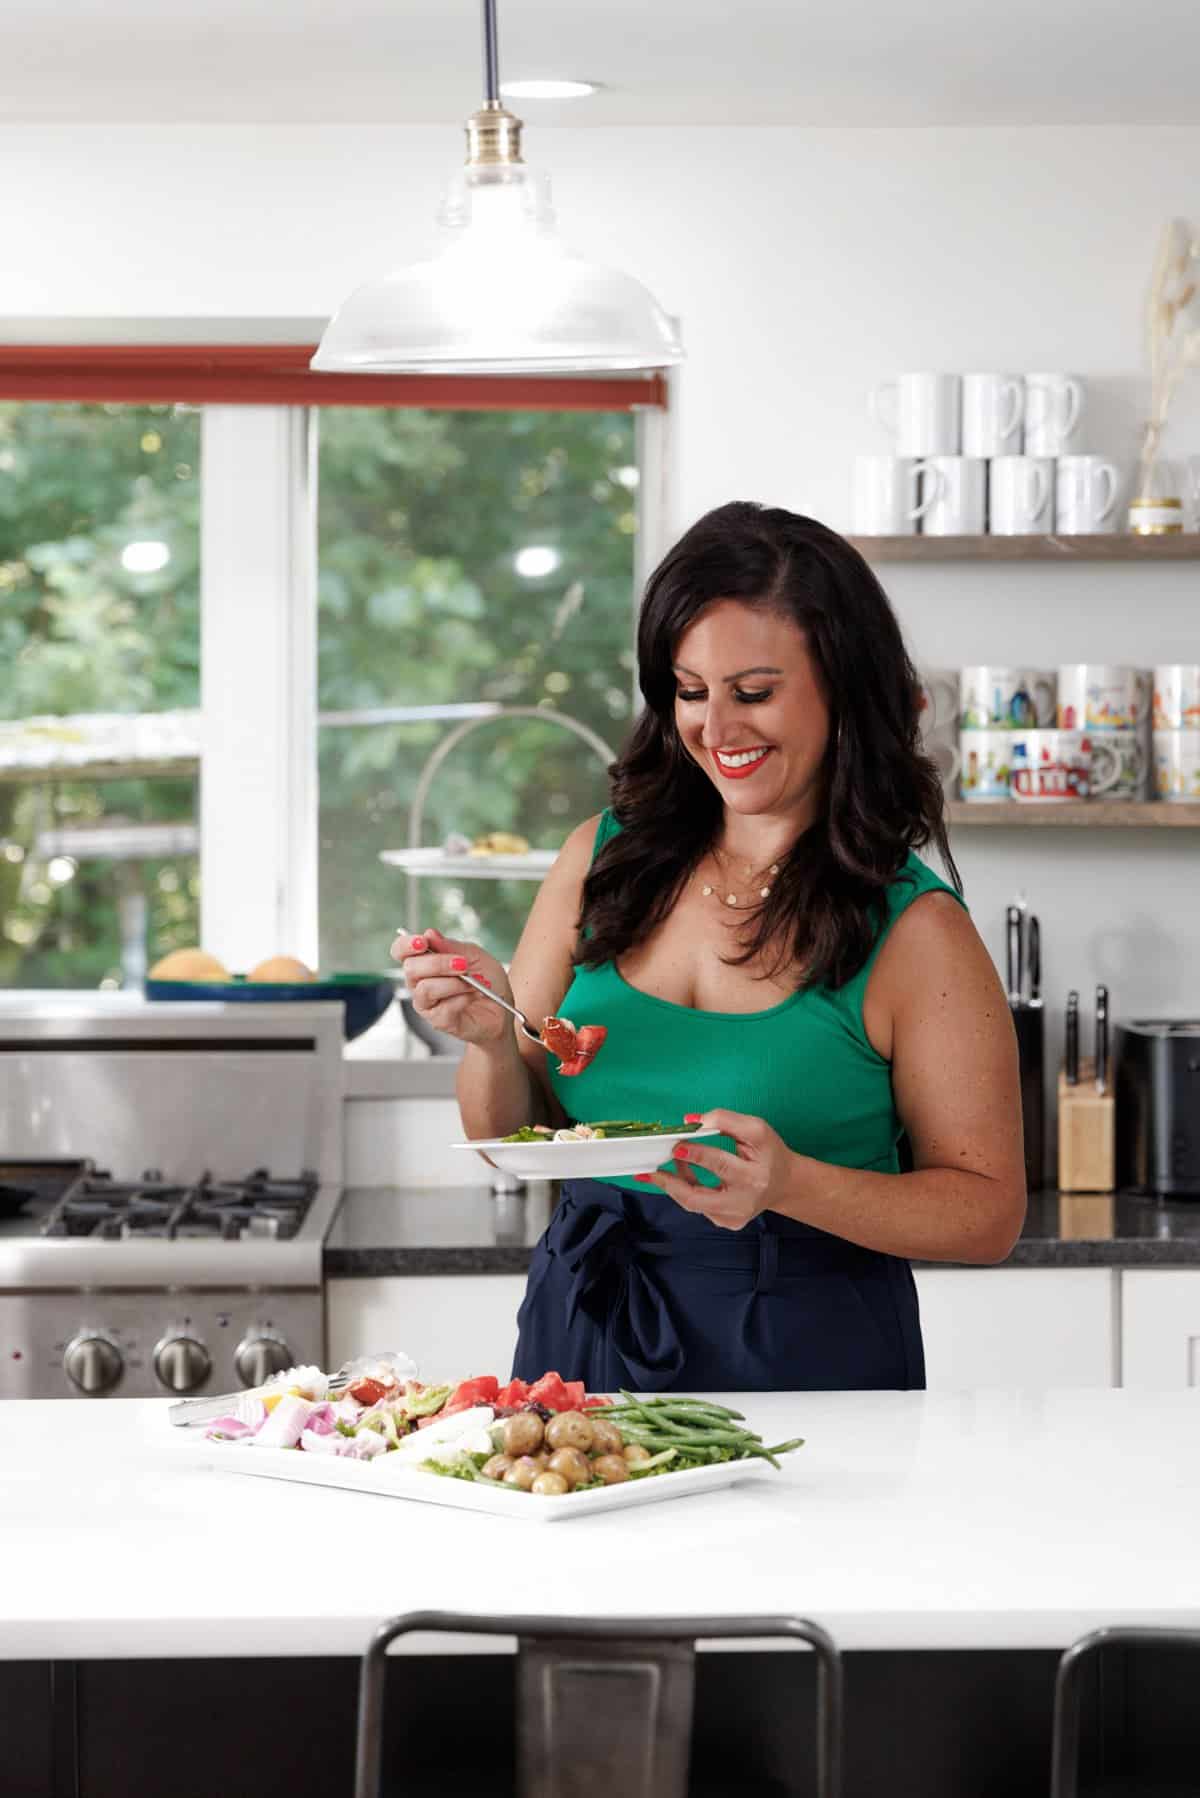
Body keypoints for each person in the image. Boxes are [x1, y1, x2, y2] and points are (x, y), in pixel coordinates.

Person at [393, 502, 1025, 1392]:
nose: (717, 731)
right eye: (691, 693)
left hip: (803, 1341)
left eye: (754, 692)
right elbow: (508, 1133)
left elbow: (987, 1213)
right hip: (584, 1320)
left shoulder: (916, 929)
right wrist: (493, 1038)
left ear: (845, 687)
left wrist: (791, 1183)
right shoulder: (602, 859)